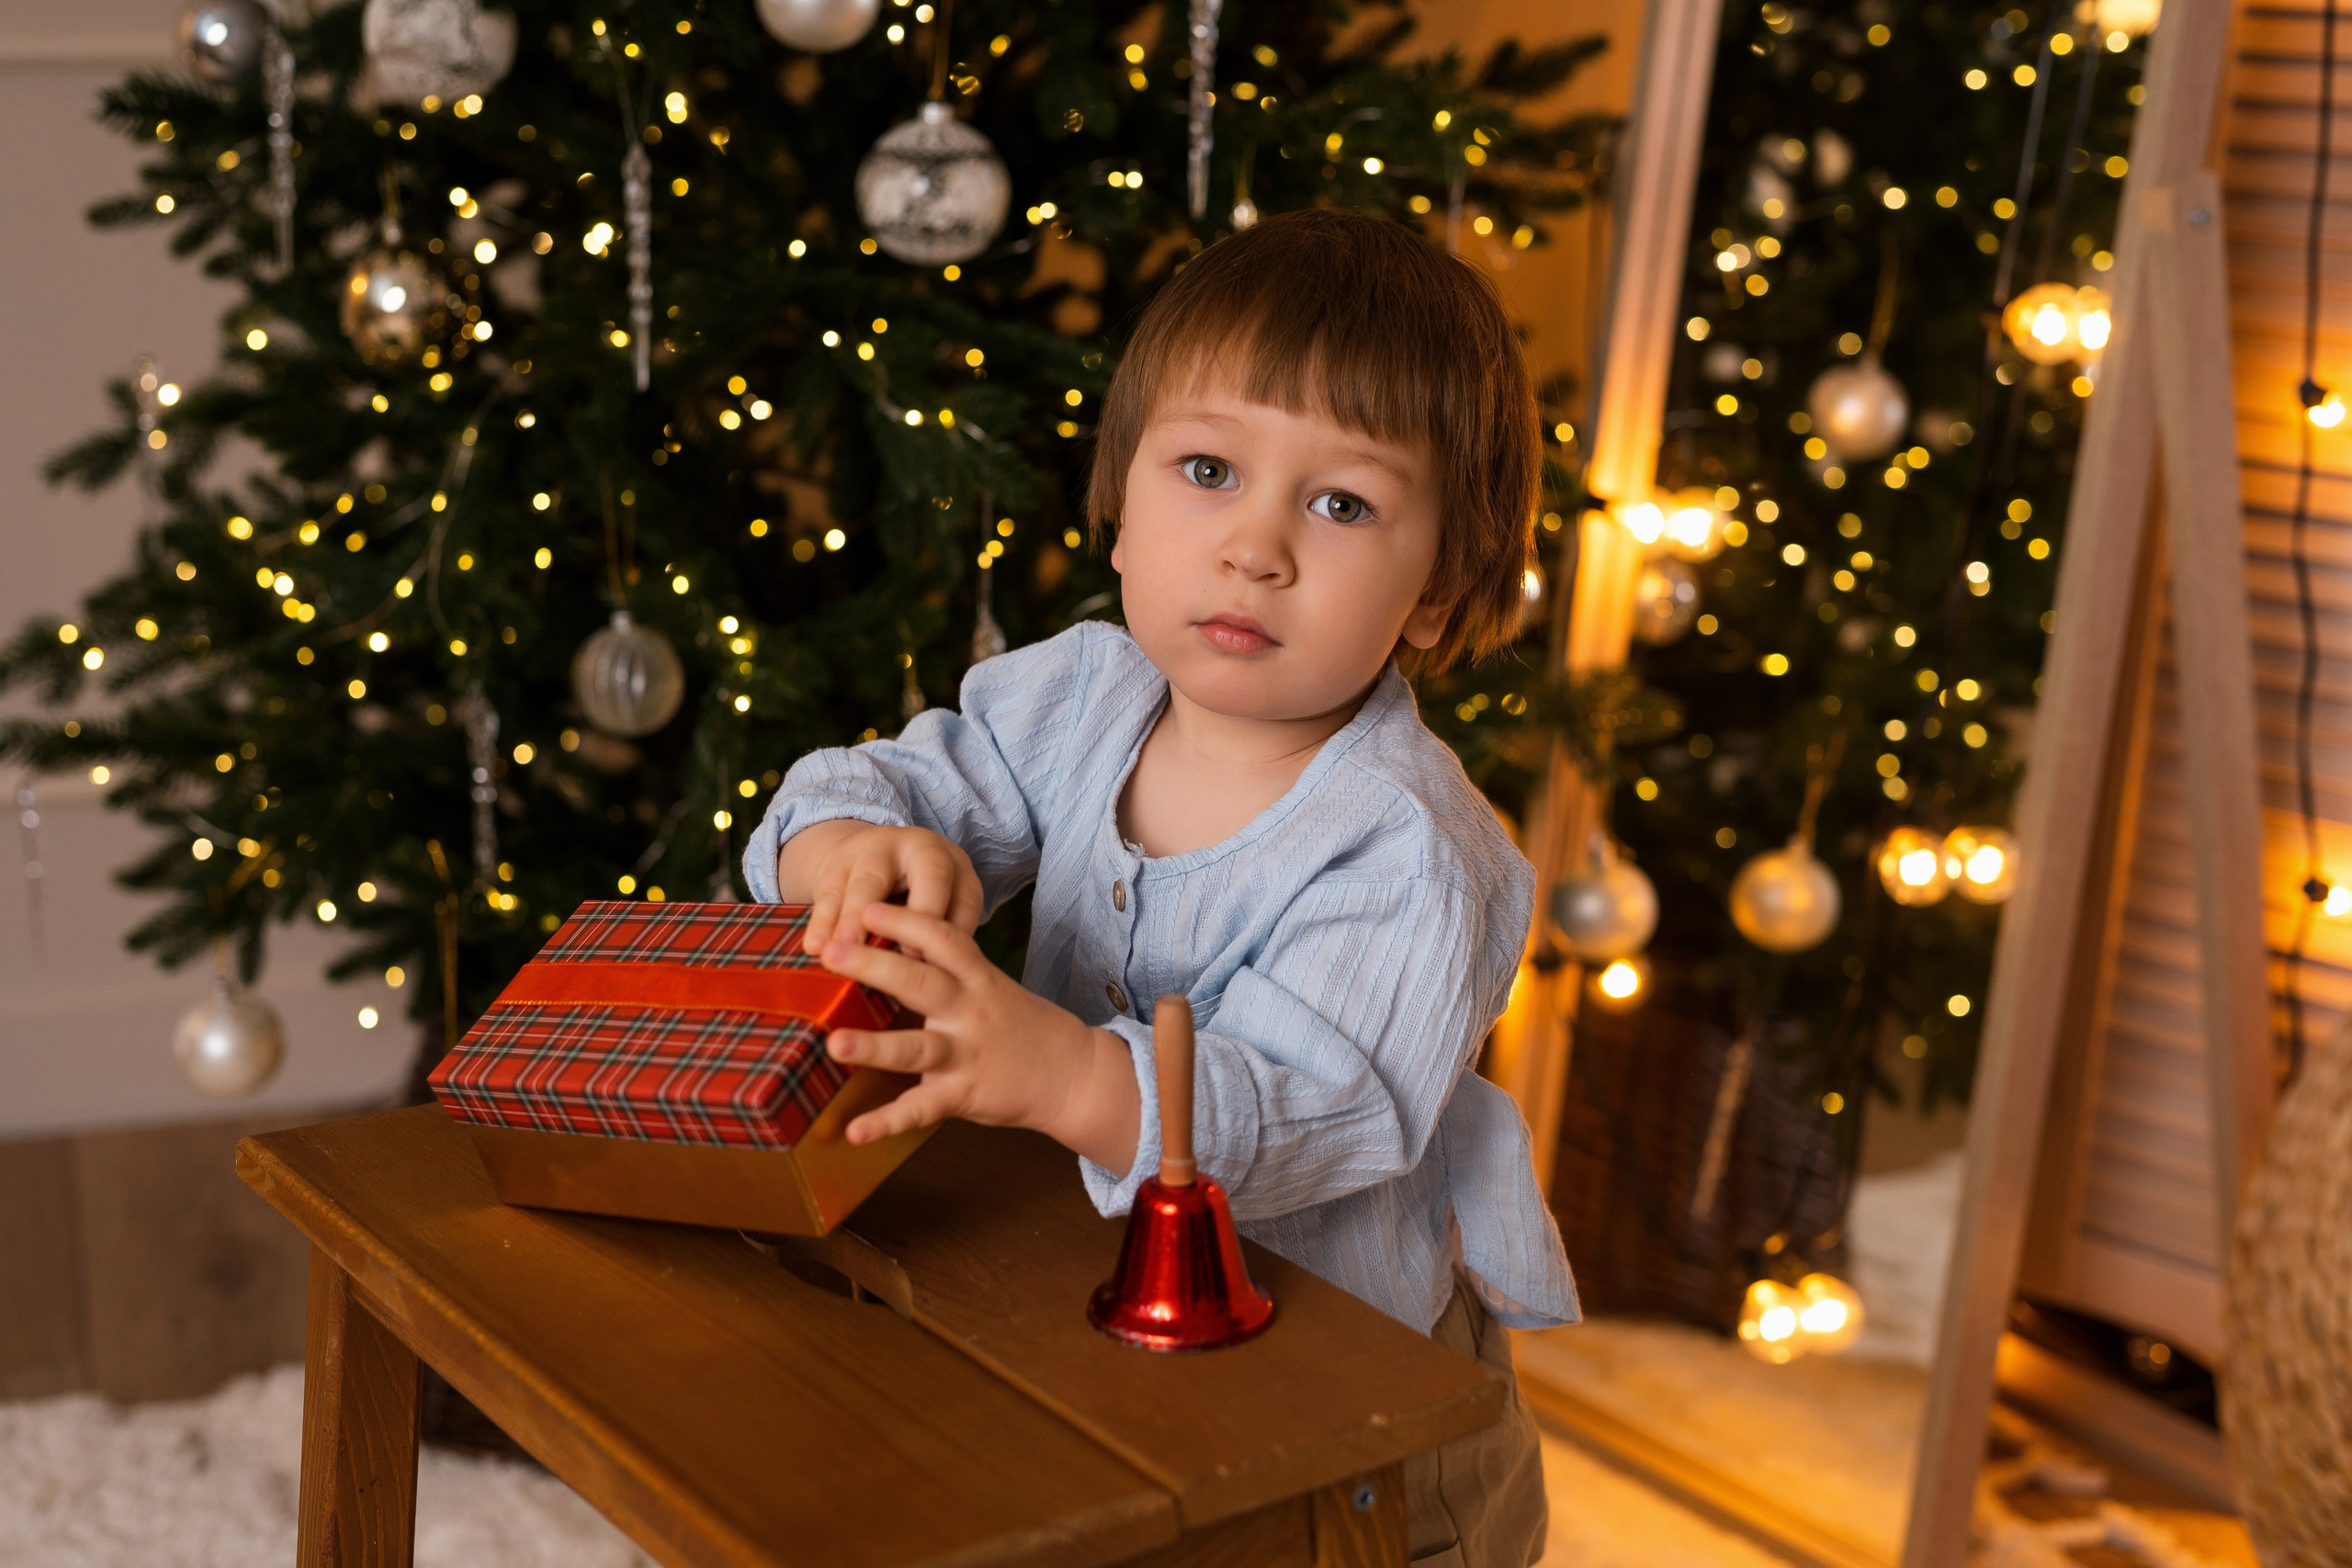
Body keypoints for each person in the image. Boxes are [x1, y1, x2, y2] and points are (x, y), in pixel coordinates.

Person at [742, 208, 1577, 1568]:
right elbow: (897, 782)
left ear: (1438, 592)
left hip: (1349, 1410)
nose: (1258, 548)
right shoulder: (1082, 694)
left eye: (1343, 503)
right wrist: (846, 845)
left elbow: (1312, 1109)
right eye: (1207, 469)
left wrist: (1069, 1078)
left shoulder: (1414, 851)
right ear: (1121, 511)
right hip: (1104, 1302)